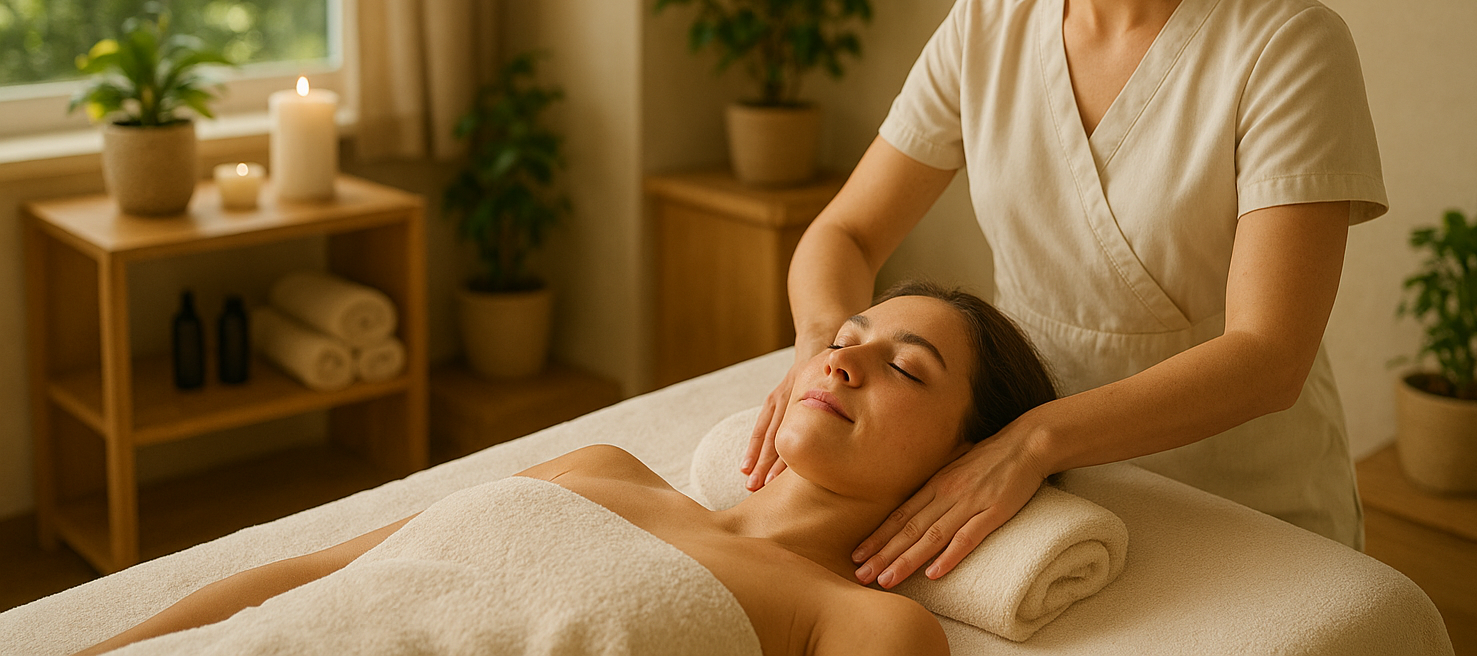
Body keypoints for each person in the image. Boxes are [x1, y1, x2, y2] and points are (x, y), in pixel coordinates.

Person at [742, 0, 1388, 592]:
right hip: (1042, 509)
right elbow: (843, 231)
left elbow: (1266, 359)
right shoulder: (984, 29)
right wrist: (820, 350)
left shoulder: (1286, 46)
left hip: (1246, 506)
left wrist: (1033, 438)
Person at [74, 282, 1057, 656]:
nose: (842, 359)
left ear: (969, 454)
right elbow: (309, 576)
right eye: (847, 337)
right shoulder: (606, 464)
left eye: (905, 368)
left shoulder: (862, 623)